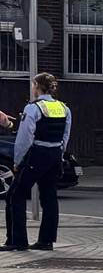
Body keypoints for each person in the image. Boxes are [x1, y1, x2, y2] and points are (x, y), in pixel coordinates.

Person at [5, 74, 69, 252]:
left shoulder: (33, 108)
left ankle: (17, 241)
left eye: (33, 85)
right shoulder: (63, 108)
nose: (33, 88)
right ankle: (46, 241)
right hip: (55, 155)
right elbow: (65, 135)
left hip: (37, 154)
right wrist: (59, 155)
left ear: (37, 87)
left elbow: (24, 138)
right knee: (49, 197)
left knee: (15, 195)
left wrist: (18, 161)